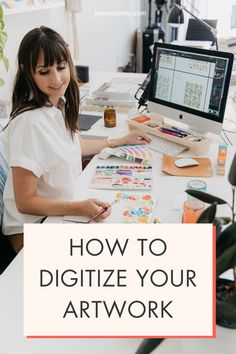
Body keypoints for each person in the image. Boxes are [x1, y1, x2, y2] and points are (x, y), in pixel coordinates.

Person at [1, 26, 150, 253]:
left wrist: (118, 141)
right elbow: (25, 201)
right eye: (44, 71)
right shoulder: (28, 123)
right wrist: (80, 208)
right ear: (26, 71)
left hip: (58, 214)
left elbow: (71, 146)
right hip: (32, 230)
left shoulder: (57, 103)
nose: (57, 78)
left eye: (61, 67)